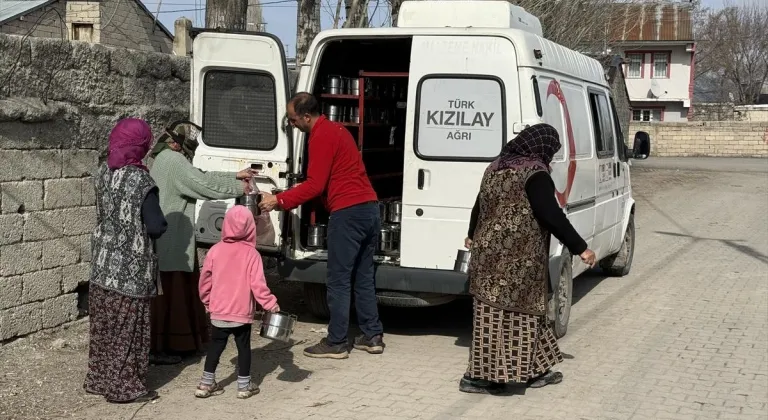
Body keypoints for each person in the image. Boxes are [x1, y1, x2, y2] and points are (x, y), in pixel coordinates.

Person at [461, 123, 597, 394]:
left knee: (503, 314)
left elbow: (481, 203)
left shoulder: (496, 166)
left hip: (487, 257)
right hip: (518, 261)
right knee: (515, 315)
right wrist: (580, 247)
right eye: (550, 151)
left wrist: (471, 234)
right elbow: (551, 215)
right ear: (541, 147)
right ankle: (481, 378)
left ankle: (534, 371)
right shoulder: (535, 174)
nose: (550, 157)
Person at [259, 92, 384, 359]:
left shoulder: (321, 136)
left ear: (306, 116)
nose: (292, 124)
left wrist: (278, 200)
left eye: (293, 120)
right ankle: (372, 335)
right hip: (369, 209)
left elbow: (316, 185)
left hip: (348, 213)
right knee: (363, 278)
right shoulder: (338, 130)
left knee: (338, 280)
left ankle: (337, 341)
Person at [148, 122, 258, 364]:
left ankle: (169, 345)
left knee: (172, 293)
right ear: (177, 143)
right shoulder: (174, 161)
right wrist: (239, 186)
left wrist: (234, 176)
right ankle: (168, 346)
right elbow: (203, 184)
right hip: (172, 241)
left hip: (170, 239)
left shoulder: (165, 159)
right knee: (173, 295)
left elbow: (199, 176)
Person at [84, 118, 167, 403]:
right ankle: (124, 387)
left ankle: (99, 379)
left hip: (101, 267)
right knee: (128, 330)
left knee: (104, 327)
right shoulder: (142, 180)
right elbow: (155, 226)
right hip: (130, 273)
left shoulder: (103, 172)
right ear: (141, 145)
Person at [195, 205, 280, 399]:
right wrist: (270, 304)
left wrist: (207, 301)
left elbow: (205, 280)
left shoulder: (215, 251)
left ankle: (206, 384)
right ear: (251, 227)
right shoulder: (252, 254)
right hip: (241, 314)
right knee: (243, 348)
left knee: (216, 346)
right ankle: (244, 386)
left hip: (219, 311)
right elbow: (258, 285)